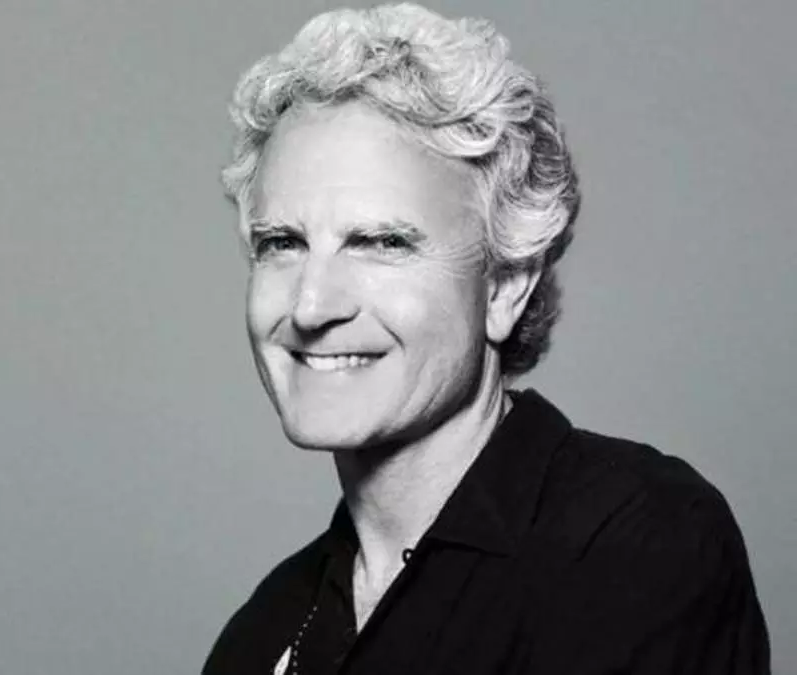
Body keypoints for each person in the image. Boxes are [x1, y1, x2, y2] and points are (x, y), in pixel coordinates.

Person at [201, 4, 771, 674]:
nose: (311, 303)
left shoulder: (640, 542)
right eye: (281, 243)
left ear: (504, 286)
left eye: (381, 242)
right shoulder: (263, 629)